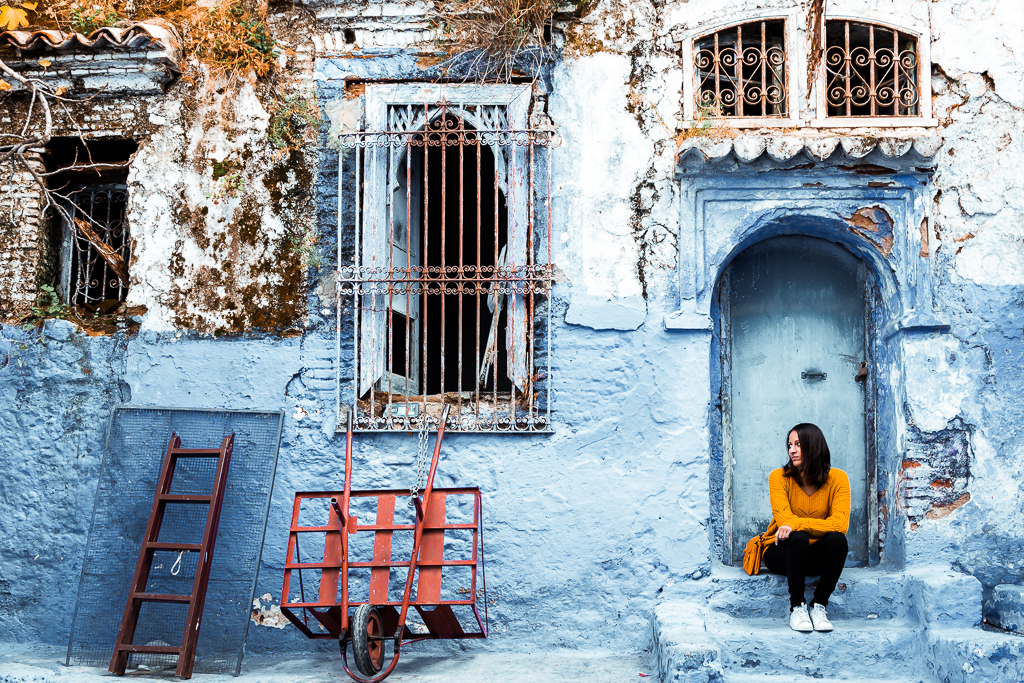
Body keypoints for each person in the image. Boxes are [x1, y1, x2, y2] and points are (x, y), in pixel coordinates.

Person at [759, 423, 850, 632]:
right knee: (798, 537)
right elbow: (784, 521)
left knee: (837, 540)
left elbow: (840, 525)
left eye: (798, 444)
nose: (792, 450)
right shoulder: (778, 477)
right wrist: (797, 526)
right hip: (781, 552)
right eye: (790, 445)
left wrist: (797, 523)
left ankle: (819, 606)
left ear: (814, 445)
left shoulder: (838, 479)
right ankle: (797, 607)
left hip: (815, 557)